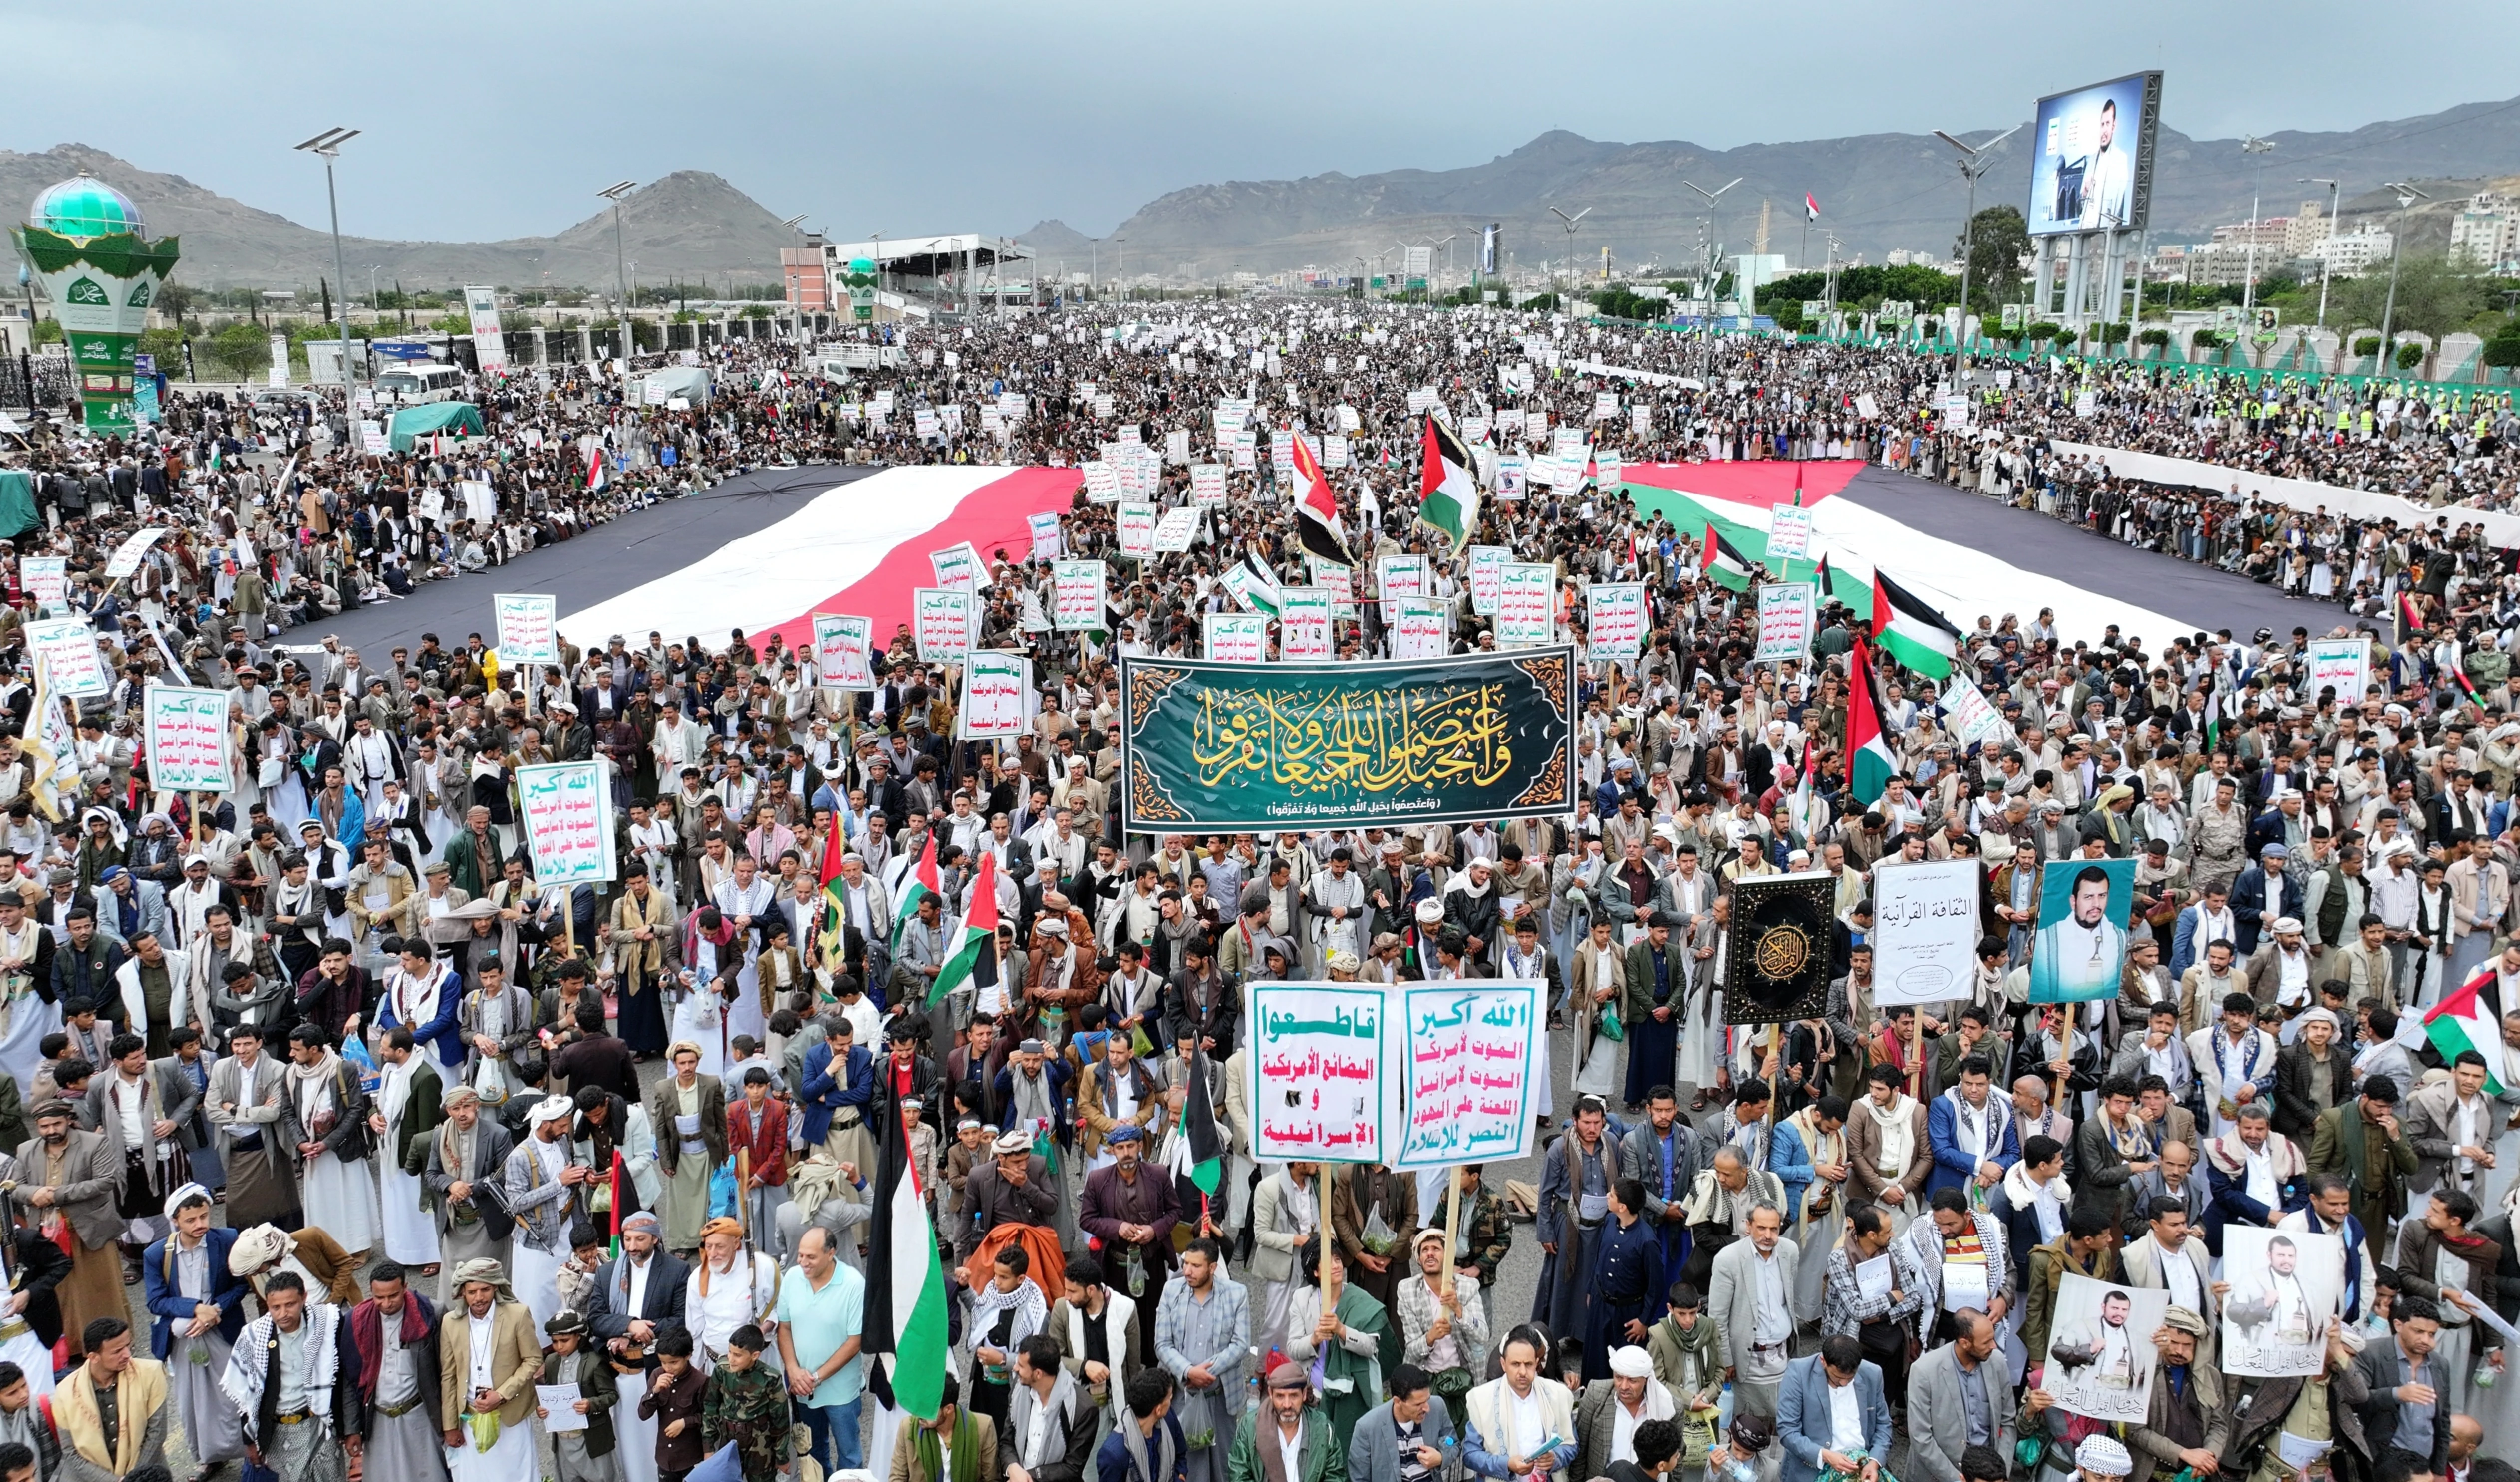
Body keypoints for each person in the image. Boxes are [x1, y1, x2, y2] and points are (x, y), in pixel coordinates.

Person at [139, 1184, 246, 1472]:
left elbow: (241, 1286)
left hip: (222, 1330)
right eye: (191, 1220)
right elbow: (156, 1301)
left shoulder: (226, 1240)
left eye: (204, 1217)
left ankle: (252, 1451)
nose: (201, 1225)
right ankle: (208, 1458)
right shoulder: (156, 1254)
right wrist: (196, 1309)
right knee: (192, 1402)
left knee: (235, 1395)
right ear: (175, 1221)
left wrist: (214, 1311)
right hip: (184, 1337)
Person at [220, 1270, 358, 1482]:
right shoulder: (253, 1337)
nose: (283, 1313)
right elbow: (247, 1396)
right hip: (278, 1434)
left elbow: (345, 1379)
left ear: (304, 1298)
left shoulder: (328, 1323)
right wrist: (250, 1442)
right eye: (276, 1307)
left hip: (320, 1426)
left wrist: (351, 1429)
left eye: (290, 1305)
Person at [13, 1100, 121, 1359]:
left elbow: (106, 1180)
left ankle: (110, 1342)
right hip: (47, 1236)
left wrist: (56, 1195)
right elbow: (15, 1185)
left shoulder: (94, 1143)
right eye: (44, 1126)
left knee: (98, 1289)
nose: (51, 1131)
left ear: (69, 1121)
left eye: (56, 1124)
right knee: (59, 1292)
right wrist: (35, 1193)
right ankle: (69, 1348)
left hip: (88, 1231)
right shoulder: (27, 1150)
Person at [437, 1259, 544, 1482]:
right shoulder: (450, 1323)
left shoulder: (517, 1314)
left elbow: (533, 1360)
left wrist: (501, 1395)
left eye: (485, 1290)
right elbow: (448, 1376)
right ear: (462, 1293)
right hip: (470, 1418)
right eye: (472, 1292)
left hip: (510, 1416)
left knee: (516, 1475)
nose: (479, 1298)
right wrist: (450, 1426)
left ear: (496, 1287)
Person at [1280, 1237, 1397, 1437]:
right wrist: (1315, 1339)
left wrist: (1342, 1331)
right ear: (1316, 1272)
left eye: (1337, 1259)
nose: (1336, 1266)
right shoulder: (1302, 1299)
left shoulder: (1358, 1299)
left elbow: (1371, 1348)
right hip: (1314, 1392)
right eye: (1328, 1262)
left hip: (1351, 1394)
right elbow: (1293, 1348)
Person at [772, 1225, 865, 1474]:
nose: (803, 1262)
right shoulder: (791, 1277)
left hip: (841, 1392)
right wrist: (793, 1370)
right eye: (801, 1255)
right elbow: (784, 1328)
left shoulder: (854, 1284)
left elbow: (855, 1341)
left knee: (850, 1455)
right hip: (801, 1386)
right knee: (812, 1454)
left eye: (811, 1257)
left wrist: (815, 1377)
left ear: (831, 1253)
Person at [1153, 1236, 1247, 1482]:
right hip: (1180, 1396)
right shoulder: (1171, 1291)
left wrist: (1206, 1372)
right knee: (1184, 1465)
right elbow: (1162, 1344)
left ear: (1213, 1268)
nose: (1187, 1271)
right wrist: (1188, 1372)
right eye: (1186, 1264)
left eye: (1196, 1266)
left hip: (1220, 1397)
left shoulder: (1237, 1294)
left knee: (1224, 1465)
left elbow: (1241, 1345)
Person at [346, 1263, 448, 1482]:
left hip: (420, 1416)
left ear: (406, 1287)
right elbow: (350, 1379)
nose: (386, 1304)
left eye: (393, 1296)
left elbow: (447, 1373)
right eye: (379, 1298)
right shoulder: (355, 1320)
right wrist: (352, 1429)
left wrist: (450, 1424)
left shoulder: (431, 1314)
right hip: (378, 1420)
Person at [1904, 1308, 2030, 1482]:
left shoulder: (1997, 1362)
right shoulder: (1924, 1371)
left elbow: (2007, 1421)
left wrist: (2000, 1473)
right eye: (1987, 1342)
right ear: (1965, 1343)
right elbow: (1921, 1438)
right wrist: (1957, 1479)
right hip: (1937, 1475)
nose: (1994, 1346)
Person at [504, 1093, 591, 1342]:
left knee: (568, 1288)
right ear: (545, 1125)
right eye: (562, 1125)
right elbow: (516, 1203)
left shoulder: (562, 1142)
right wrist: (558, 1183)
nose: (566, 1131)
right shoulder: (520, 1157)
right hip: (538, 1238)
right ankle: (539, 1346)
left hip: (568, 1228)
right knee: (539, 1296)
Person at [284, 1024, 376, 1260]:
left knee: (351, 1198)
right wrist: (301, 1143)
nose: (291, 1055)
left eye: (297, 1050)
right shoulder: (290, 1073)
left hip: (341, 1149)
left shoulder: (343, 1069)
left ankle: (358, 1247)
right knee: (323, 1202)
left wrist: (328, 1143)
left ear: (314, 1049)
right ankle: (327, 1249)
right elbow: (288, 1113)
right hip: (311, 1152)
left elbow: (356, 1110)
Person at [1707, 1202, 1797, 1419]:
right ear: (1748, 1226)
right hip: (1747, 1363)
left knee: (1784, 1424)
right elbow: (1717, 1317)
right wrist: (1726, 1360)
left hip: (1783, 1356)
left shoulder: (1790, 1252)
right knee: (1749, 1426)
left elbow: (1787, 1301)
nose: (1768, 1235)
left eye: (1774, 1229)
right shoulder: (1728, 1260)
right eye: (1761, 1228)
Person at [207, 1024, 301, 1231]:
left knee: (277, 1201)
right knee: (239, 1205)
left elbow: (273, 1113)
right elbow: (211, 1111)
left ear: (259, 1043)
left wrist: (234, 1110)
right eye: (236, 1045)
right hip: (235, 1147)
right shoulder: (221, 1068)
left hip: (267, 1143)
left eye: (247, 1044)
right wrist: (254, 1113)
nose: (241, 1050)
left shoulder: (277, 1069)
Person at [51, 1318, 168, 1482]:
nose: (127, 1355)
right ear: (94, 1357)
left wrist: (134, 1478)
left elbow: (157, 1434)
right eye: (118, 1351)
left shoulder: (151, 1373)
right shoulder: (65, 1392)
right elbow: (71, 1452)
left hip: (145, 1474)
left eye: (129, 1346)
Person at [423, 1085, 517, 1280]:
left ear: (477, 1106)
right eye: (456, 1109)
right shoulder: (440, 1136)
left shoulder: (498, 1134)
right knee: (455, 1280)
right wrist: (452, 1186)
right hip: (454, 1219)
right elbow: (432, 1174)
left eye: (466, 1107)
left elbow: (503, 1176)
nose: (462, 1114)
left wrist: (467, 1189)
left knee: (487, 1278)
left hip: (487, 1219)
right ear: (448, 1111)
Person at [644, 1043, 727, 1257]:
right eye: (682, 1063)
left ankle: (708, 1239)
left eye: (691, 1062)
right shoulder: (664, 1088)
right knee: (681, 1202)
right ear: (675, 1065)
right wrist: (665, 1161)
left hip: (706, 1152)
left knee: (709, 1199)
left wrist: (724, 1153)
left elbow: (721, 1121)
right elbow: (661, 1128)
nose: (687, 1067)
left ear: (698, 1062)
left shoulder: (710, 1084)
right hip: (680, 1153)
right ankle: (682, 1242)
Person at [683, 1217, 778, 1369]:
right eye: (709, 1247)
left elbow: (779, 1308)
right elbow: (695, 1329)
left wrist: (763, 1330)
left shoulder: (763, 1268)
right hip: (716, 1366)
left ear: (736, 1244)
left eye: (720, 1247)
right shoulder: (697, 1278)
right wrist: (698, 1372)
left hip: (758, 1365)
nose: (713, 1254)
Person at [1570, 1346, 1677, 1482]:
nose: (1624, 1386)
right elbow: (1580, 1450)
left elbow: (1675, 1456)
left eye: (1632, 1380)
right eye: (1619, 1377)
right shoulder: (1596, 1396)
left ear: (1646, 1379)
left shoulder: (1666, 1406)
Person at [1229, 1361, 1344, 1482]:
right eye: (1280, 1396)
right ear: (1271, 1394)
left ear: (1304, 1394)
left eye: (1294, 1396)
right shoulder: (1249, 1427)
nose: (1287, 1405)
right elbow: (1239, 1475)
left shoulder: (1324, 1430)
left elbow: (1335, 1476)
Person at [698, 1322, 784, 1482]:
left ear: (755, 1356)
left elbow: (780, 1420)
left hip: (759, 1442)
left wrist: (782, 1457)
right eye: (730, 1352)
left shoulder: (770, 1378)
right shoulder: (722, 1369)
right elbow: (710, 1406)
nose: (731, 1359)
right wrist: (708, 1447)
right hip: (728, 1439)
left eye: (738, 1355)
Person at [1006, 1332, 1096, 1482]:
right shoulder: (1018, 1389)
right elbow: (1006, 1441)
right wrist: (1012, 1467)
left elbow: (1072, 1467)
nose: (1015, 1368)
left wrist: (1028, 1477)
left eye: (1021, 1366)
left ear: (1038, 1374)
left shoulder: (1083, 1409)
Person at [889, 1375, 1009, 1482]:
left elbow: (992, 1479)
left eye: (927, 1409)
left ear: (949, 1409)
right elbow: (897, 1478)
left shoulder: (983, 1427)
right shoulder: (908, 1428)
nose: (919, 1414)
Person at [2032, 866, 2126, 1001]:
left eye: (2102, 896)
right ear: (2073, 901)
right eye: (2088, 897)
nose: (2096, 904)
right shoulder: (2048, 939)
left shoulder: (2118, 936)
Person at [1348, 1364, 1455, 1482]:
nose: (1427, 1408)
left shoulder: (1438, 1406)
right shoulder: (1367, 1427)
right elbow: (1359, 1478)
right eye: (1418, 1404)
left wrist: (1441, 1457)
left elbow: (1454, 1443)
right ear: (1397, 1401)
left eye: (1427, 1400)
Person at [1095, 1369, 1184, 1482]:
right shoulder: (1113, 1454)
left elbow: (1181, 1456)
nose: (1171, 1403)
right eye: (1170, 1398)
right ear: (1159, 1410)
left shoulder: (1169, 1418)